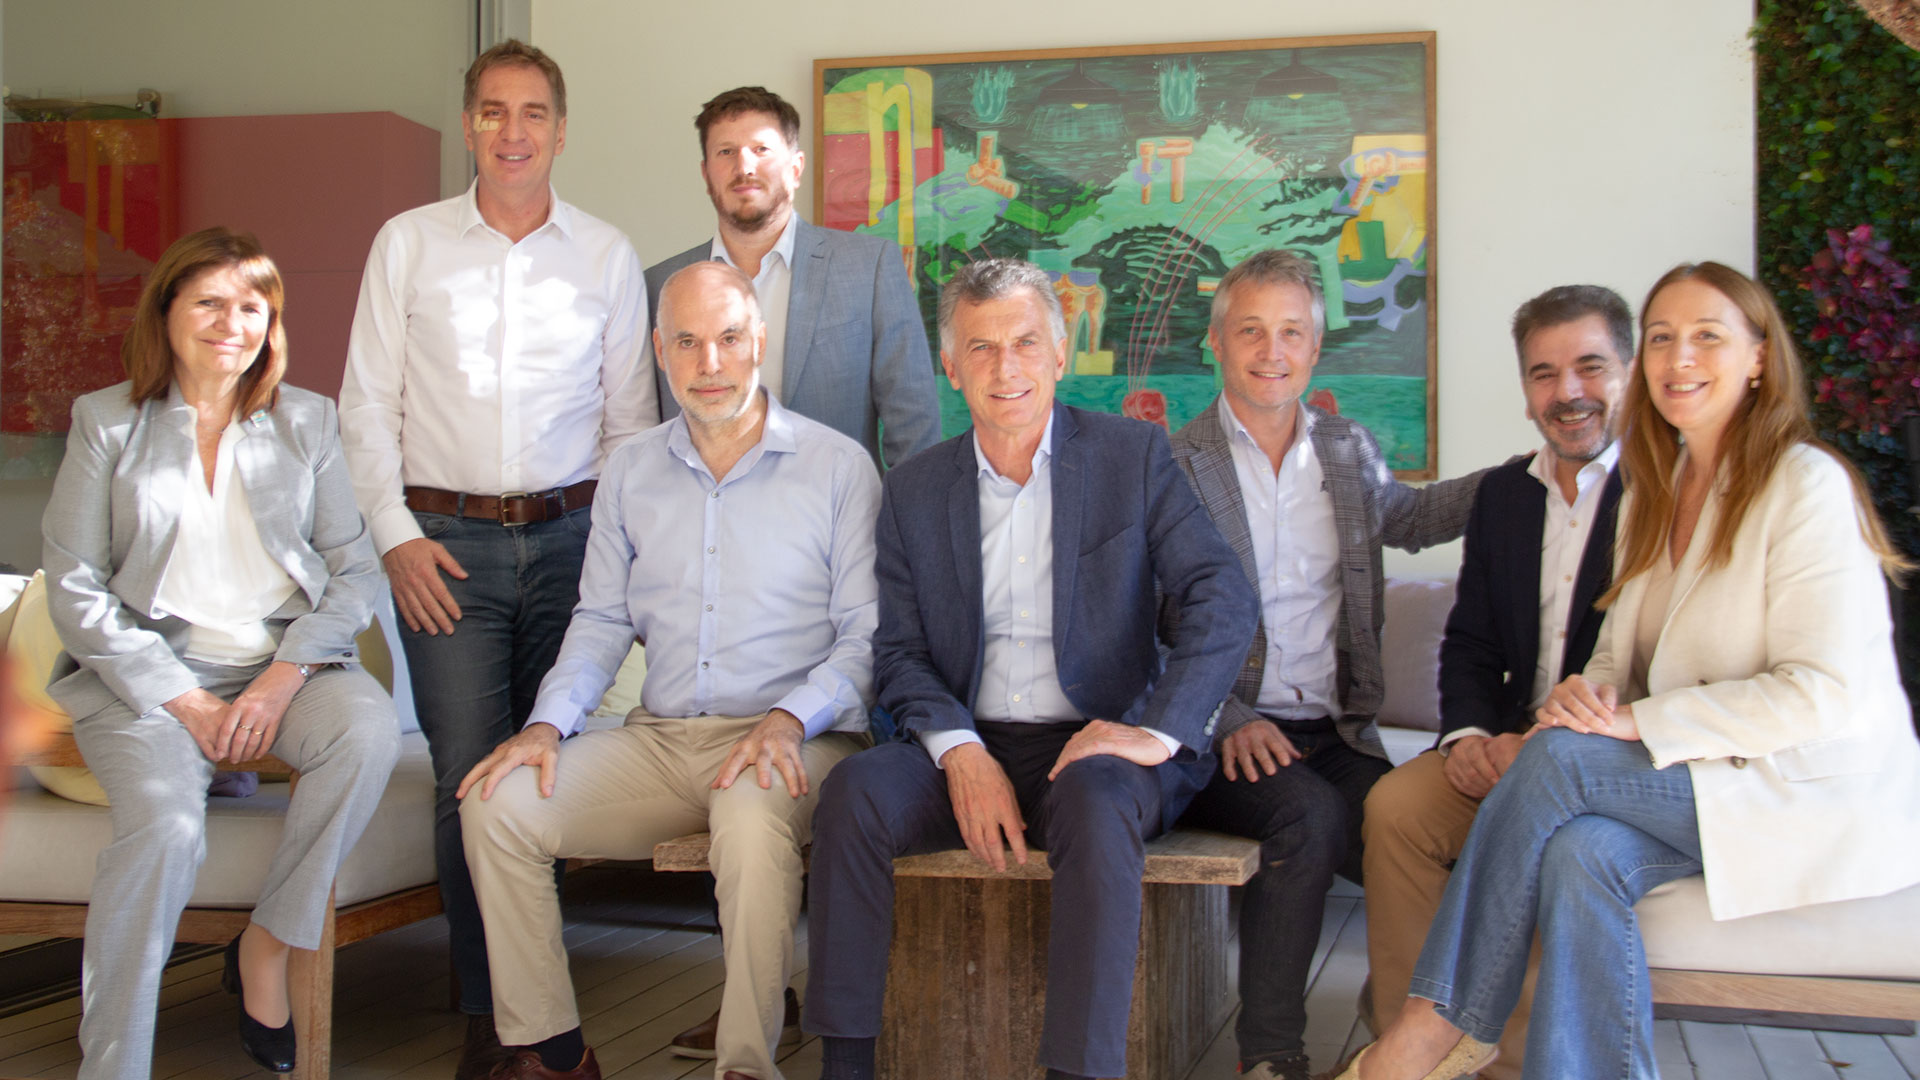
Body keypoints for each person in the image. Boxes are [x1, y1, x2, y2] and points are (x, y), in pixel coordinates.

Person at [1337, 261, 1920, 1080]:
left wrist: (1622, 723)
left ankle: (1434, 1031)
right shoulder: (1666, 481)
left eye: (1707, 337)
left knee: (1559, 762)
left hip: (1801, 787)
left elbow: (1823, 693)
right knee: (1582, 854)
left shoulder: (1806, 485)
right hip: (1698, 776)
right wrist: (1587, 697)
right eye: (1663, 339)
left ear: (1758, 358)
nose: (1680, 357)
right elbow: (1615, 651)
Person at [802, 257, 1258, 1080]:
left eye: (1024, 343)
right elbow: (899, 652)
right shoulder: (913, 489)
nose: (1005, 368)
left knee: (1093, 797)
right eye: (981, 348)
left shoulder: (1132, 457)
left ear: (1059, 351)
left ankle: (1079, 1072)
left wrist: (1156, 732)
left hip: (1099, 747)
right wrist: (960, 750)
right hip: (970, 740)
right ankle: (846, 1063)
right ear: (951, 367)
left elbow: (1221, 596)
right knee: (853, 796)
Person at [455, 261, 879, 1080]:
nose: (709, 362)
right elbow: (602, 620)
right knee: (496, 805)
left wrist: (791, 718)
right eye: (687, 342)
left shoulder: (837, 468)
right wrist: (547, 725)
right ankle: (554, 1052)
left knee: (750, 819)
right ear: (659, 350)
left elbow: (865, 639)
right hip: (661, 742)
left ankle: (746, 1065)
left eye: (727, 338)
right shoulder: (630, 471)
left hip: (796, 741)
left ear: (759, 341)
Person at [337, 40, 655, 1076]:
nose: (512, 131)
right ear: (469, 124)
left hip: (571, 543)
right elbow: (364, 411)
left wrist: (609, 562)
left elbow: (627, 428)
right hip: (447, 552)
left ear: (561, 130)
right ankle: (492, 1026)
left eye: (532, 113)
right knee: (467, 786)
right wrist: (396, 541)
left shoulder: (606, 255)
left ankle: (541, 1015)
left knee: (546, 778)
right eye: (492, 111)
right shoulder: (407, 245)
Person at [41, 227, 400, 1080]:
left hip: (285, 664)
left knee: (368, 732)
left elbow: (355, 573)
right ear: (166, 310)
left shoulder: (306, 420)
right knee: (164, 829)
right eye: (208, 302)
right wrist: (186, 701)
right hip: (154, 683)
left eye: (251, 307)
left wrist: (282, 680)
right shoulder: (107, 422)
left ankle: (267, 945)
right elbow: (75, 586)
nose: (230, 324)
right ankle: (113, 1065)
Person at [1163, 249, 1482, 1080]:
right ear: (1217, 342)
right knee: (1306, 818)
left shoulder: (1346, 451)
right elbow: (1142, 622)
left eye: (1291, 332)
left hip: (1334, 732)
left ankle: (1421, 1033)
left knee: (1424, 823)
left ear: (1315, 347)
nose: (1272, 351)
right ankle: (1271, 1056)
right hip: (1219, 736)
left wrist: (1532, 475)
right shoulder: (1170, 462)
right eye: (1252, 331)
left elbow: (1415, 516)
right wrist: (1225, 718)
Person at [1358, 284, 1631, 1078]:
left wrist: (1538, 746)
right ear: (1525, 392)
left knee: (1540, 826)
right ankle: (1415, 1048)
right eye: (1544, 374)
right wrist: (1469, 734)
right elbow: (1470, 639)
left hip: (1601, 755)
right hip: (1503, 738)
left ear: (1630, 371)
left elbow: (1645, 665)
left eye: (1589, 367)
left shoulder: (1670, 490)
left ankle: (1509, 1063)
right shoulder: (1505, 495)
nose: (1567, 393)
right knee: (1397, 808)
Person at [645, 86, 940, 471]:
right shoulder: (659, 285)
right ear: (706, 173)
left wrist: (902, 527)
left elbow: (913, 422)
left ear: (796, 168)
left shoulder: (869, 268)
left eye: (761, 150)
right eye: (725, 152)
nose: (744, 167)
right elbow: (647, 431)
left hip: (836, 522)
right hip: (699, 519)